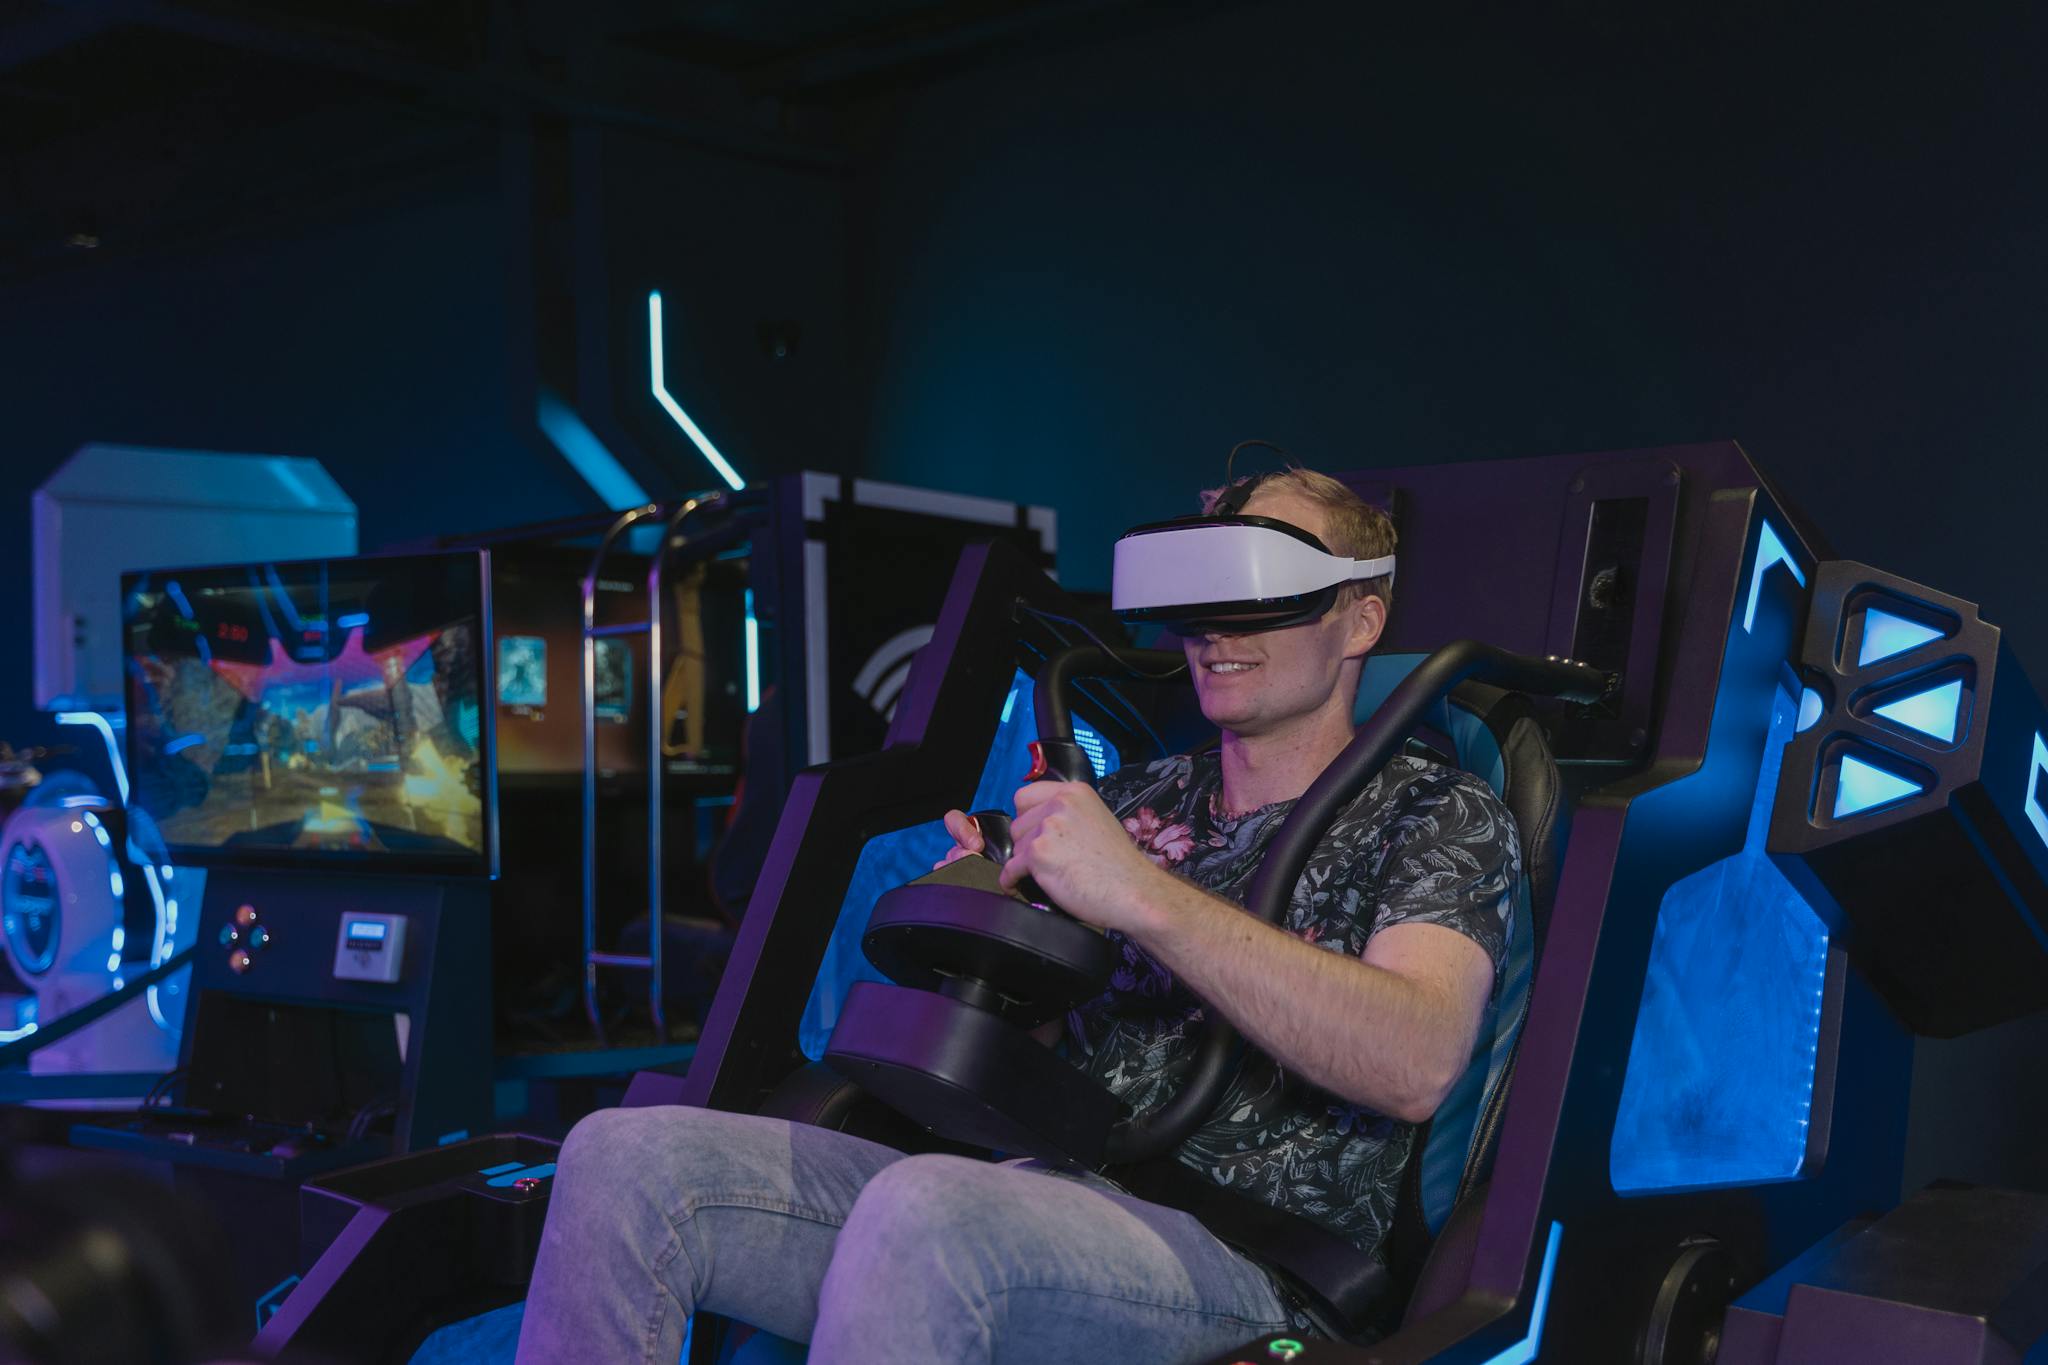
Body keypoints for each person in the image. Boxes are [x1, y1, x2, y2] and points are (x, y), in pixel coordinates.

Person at [515, 467, 1519, 1365]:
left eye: (1256, 592)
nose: (1215, 626)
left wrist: (1136, 894)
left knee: (929, 1208)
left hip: (1245, 1261)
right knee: (625, 1156)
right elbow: (1036, 1036)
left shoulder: (1431, 811)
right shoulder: (1131, 797)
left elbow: (1414, 1059)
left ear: (1358, 620)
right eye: (1199, 595)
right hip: (1030, 1186)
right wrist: (991, 919)